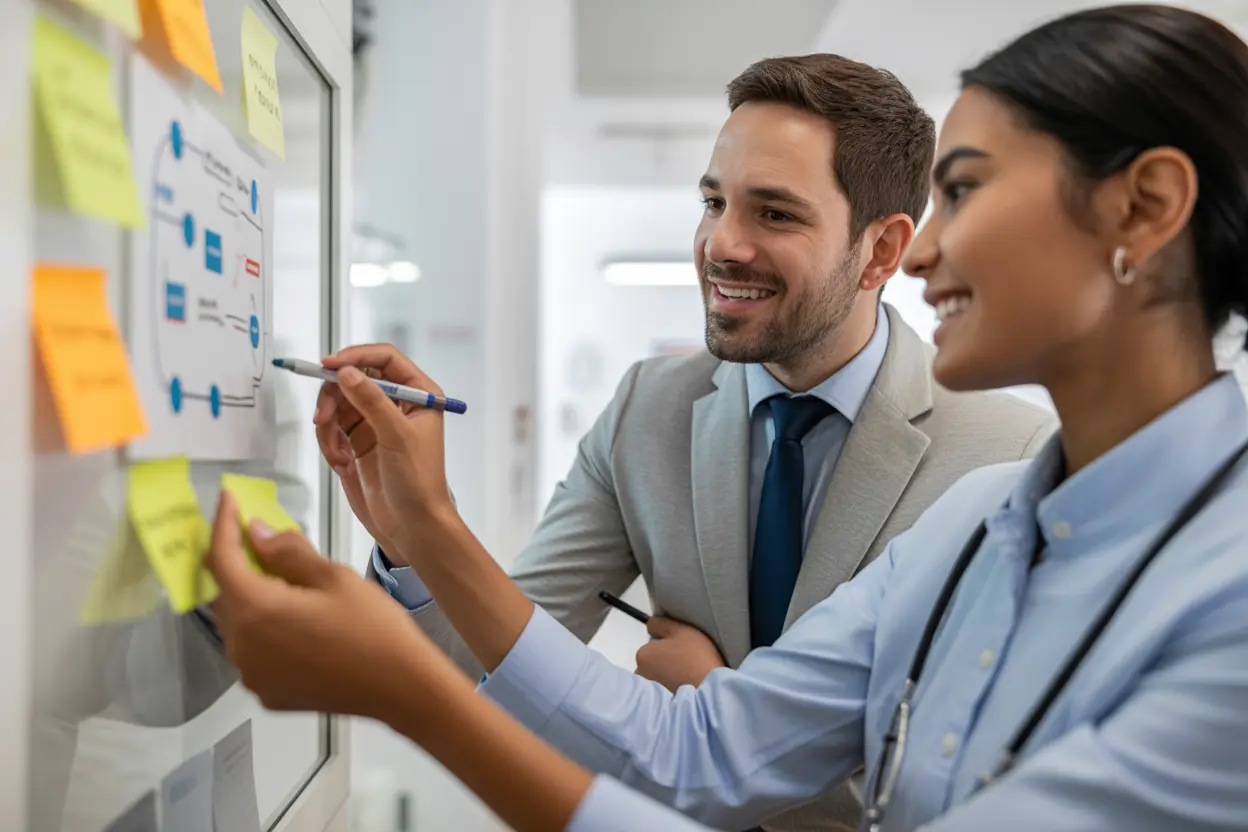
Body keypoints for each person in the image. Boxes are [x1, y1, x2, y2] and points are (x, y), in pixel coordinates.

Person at [207, 5, 1248, 831]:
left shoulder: (1200, 584)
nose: (933, 253)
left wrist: (409, 695)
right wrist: (421, 527)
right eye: (714, 201)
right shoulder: (983, 523)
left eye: (967, 193)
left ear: (1146, 209)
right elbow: (696, 751)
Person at [322, 52, 1054, 831]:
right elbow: (486, 663)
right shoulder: (649, 409)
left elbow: (966, 775)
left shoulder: (1005, 455)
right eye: (713, 202)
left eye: (774, 213)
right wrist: (411, 543)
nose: (721, 244)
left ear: (880, 249)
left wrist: (716, 707)